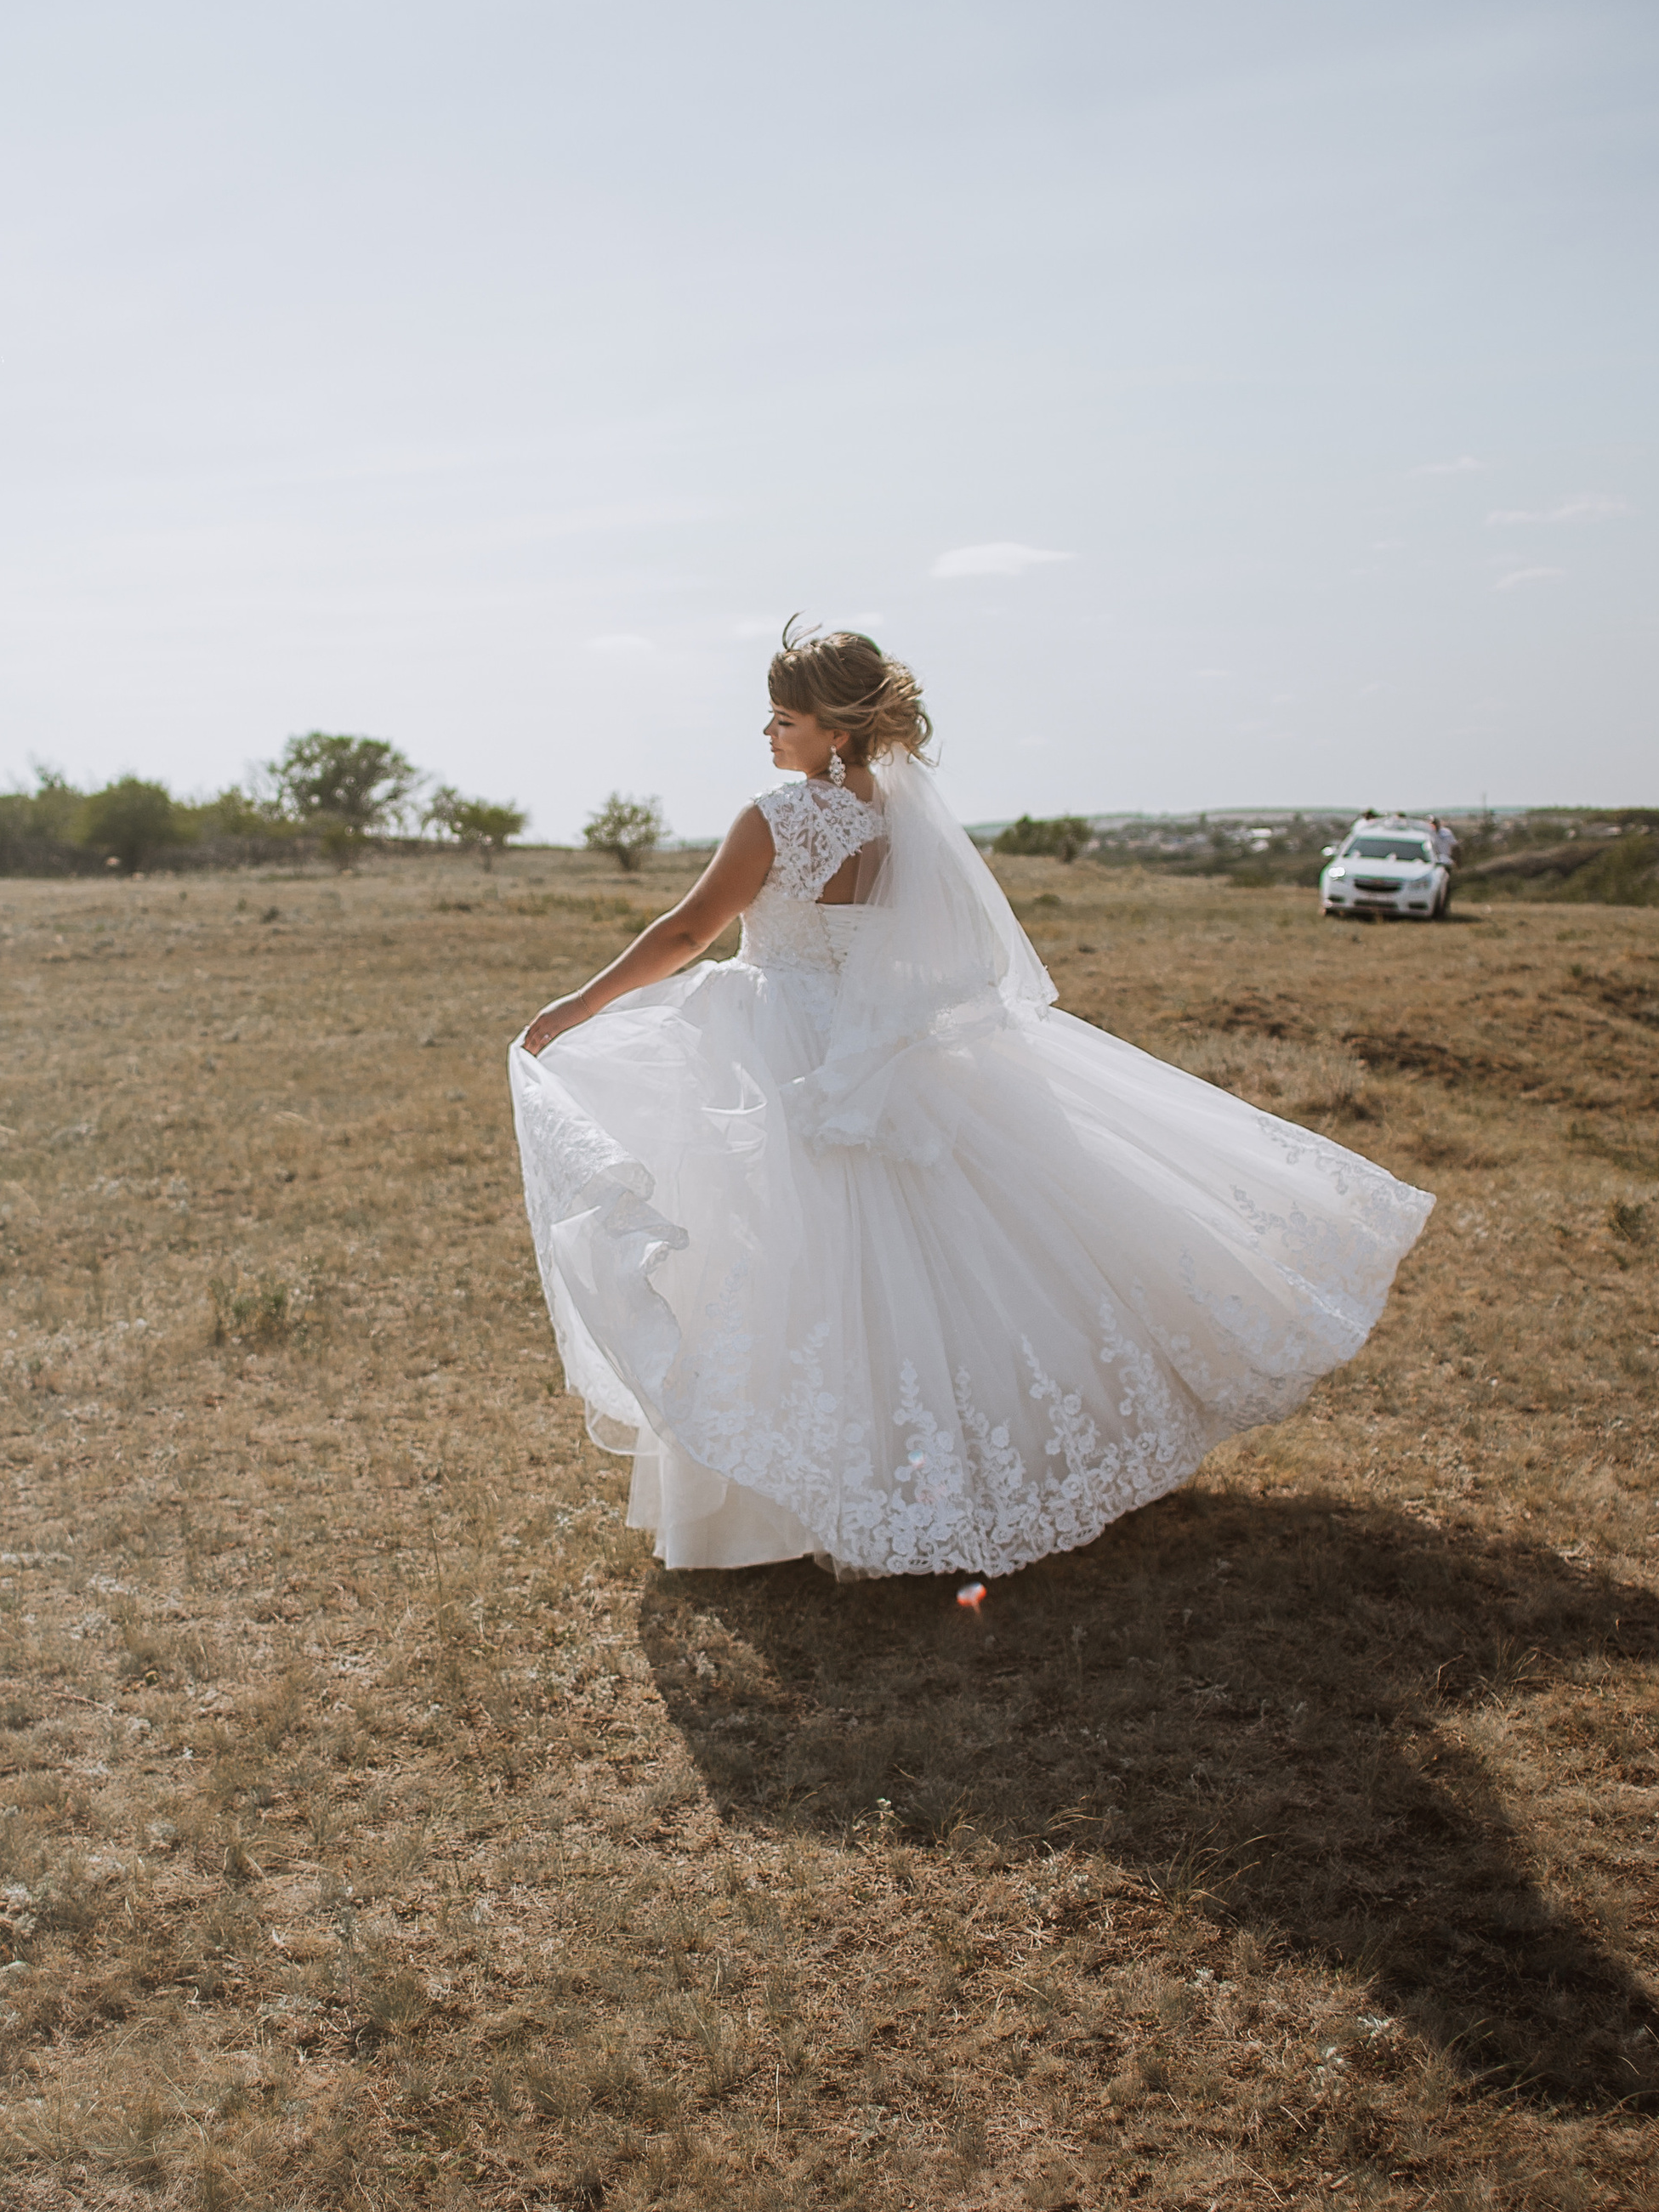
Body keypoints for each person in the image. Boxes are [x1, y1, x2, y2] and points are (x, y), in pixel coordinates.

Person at [509, 628, 1432, 1580]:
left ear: (834, 730)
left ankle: (832, 1490)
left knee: (792, 1260)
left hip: (781, 1042)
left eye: (783, 718)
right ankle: (956, 1466)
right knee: (940, 1260)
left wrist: (581, 1004)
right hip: (884, 1041)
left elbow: (690, 929)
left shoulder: (780, 815)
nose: (766, 733)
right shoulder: (905, 817)